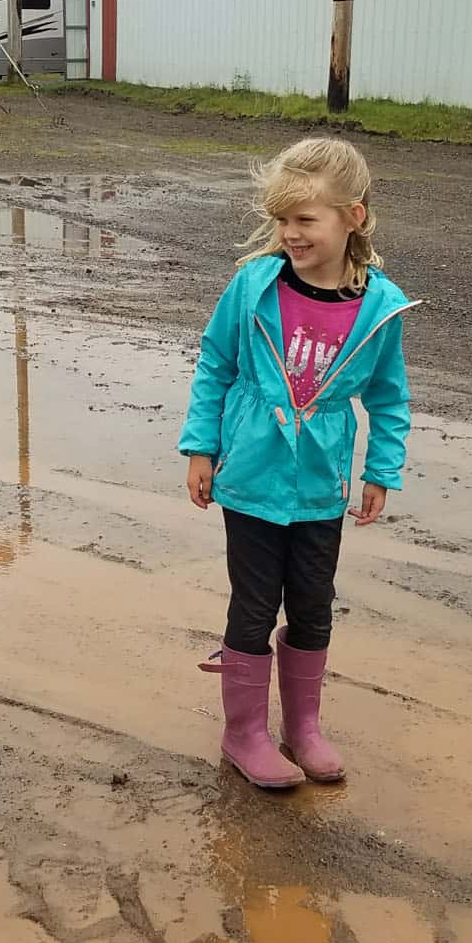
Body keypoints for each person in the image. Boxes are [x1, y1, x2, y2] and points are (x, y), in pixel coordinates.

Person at [179, 137, 418, 789]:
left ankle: (302, 728)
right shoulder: (253, 285)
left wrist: (380, 469)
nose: (289, 233)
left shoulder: (378, 306)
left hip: (319, 483)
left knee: (312, 606)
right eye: (282, 219)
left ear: (353, 218)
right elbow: (215, 364)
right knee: (253, 607)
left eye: (304, 220)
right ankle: (244, 733)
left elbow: (389, 396)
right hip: (250, 476)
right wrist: (200, 447)